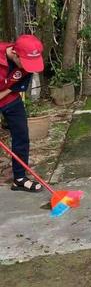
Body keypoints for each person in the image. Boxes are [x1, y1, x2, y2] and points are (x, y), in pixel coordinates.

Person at [0, 34, 44, 192]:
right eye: (24, 63)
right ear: (15, 53)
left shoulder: (30, 63)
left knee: (21, 135)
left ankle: (19, 179)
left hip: (9, 97)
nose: (27, 68)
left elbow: (12, 87)